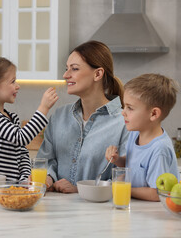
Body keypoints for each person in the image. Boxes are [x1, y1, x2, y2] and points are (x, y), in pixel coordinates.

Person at [37, 40, 129, 193]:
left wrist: (79, 189)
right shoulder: (59, 116)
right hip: (55, 210)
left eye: (74, 69)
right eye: (67, 69)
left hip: (101, 213)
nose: (66, 75)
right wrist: (48, 177)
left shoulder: (124, 122)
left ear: (98, 74)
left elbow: (124, 176)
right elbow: (46, 161)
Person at [0, 56, 59, 181]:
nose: (17, 86)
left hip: (11, 189)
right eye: (12, 81)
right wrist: (44, 108)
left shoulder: (12, 118)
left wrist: (25, 178)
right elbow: (21, 138)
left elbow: (22, 154)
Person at [105, 73, 180, 201]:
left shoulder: (159, 149)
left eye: (130, 108)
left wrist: (122, 188)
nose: (123, 112)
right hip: (137, 208)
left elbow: (157, 194)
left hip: (152, 214)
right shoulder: (135, 134)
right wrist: (117, 160)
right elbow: (133, 164)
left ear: (153, 114)